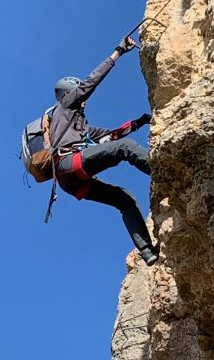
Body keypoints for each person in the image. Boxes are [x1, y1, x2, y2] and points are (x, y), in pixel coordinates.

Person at [51, 35, 158, 264]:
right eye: (79, 92)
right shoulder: (65, 105)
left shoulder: (77, 124)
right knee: (125, 149)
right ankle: (164, 173)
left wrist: (139, 122)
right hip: (70, 163)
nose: (84, 99)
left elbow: (111, 135)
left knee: (124, 199)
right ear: (71, 92)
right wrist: (118, 52)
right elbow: (93, 81)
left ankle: (147, 252)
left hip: (71, 180)